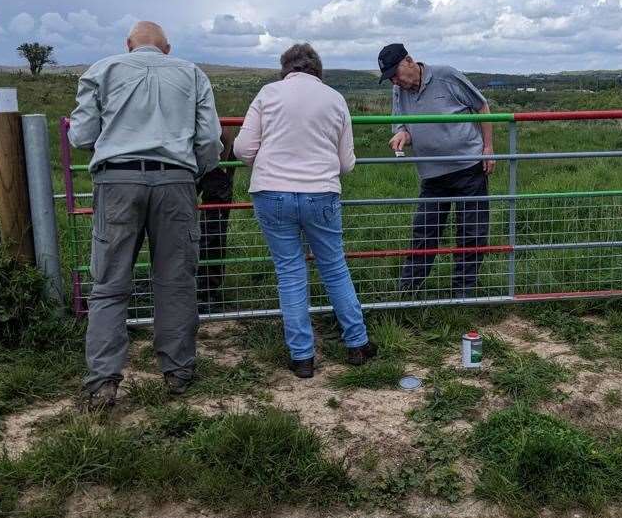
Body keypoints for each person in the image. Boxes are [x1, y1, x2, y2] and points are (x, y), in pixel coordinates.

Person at [68, 21, 222, 409]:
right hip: (176, 182)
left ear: (128, 45)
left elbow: (82, 135)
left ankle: (103, 382)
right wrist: (192, 172)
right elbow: (208, 139)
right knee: (176, 280)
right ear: (166, 48)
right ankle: (178, 371)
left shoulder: (102, 71)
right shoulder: (192, 73)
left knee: (109, 283)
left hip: (116, 183)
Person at [234, 43, 376, 378]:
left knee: (290, 273)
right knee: (334, 268)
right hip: (321, 193)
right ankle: (357, 342)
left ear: (286, 69)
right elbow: (346, 163)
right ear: (317, 69)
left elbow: (242, 149)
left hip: (272, 192)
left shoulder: (268, 94)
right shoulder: (335, 98)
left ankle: (302, 358)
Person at [377, 43, 494, 300]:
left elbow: (482, 106)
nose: (395, 82)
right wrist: (402, 135)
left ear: (409, 60)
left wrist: (488, 147)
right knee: (424, 232)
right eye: (390, 79)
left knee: (471, 233)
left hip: (468, 168)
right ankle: (407, 292)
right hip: (432, 174)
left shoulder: (446, 75)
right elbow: (402, 125)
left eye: (395, 74)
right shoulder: (399, 90)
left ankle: (462, 294)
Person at [196, 127, 235, 313]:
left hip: (186, 160)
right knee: (214, 230)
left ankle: (205, 291)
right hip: (210, 158)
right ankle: (207, 292)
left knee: (213, 229)